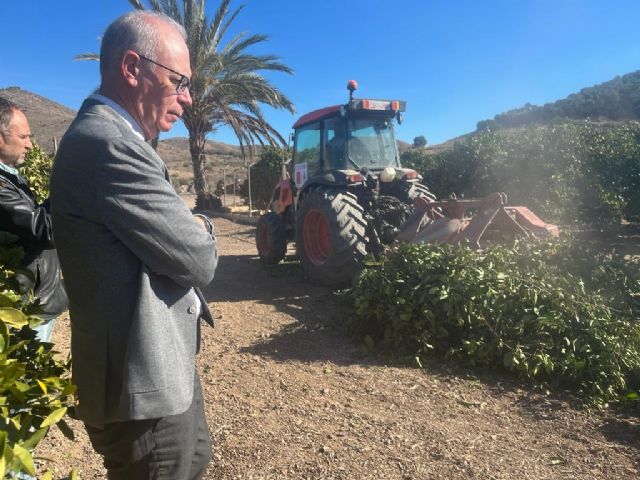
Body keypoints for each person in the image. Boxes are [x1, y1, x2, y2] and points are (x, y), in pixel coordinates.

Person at [50, 10, 218, 480]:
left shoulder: (110, 138)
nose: (186, 99)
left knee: (193, 460)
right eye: (179, 81)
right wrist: (202, 222)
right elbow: (198, 258)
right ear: (131, 68)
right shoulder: (109, 144)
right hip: (142, 388)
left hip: (155, 374)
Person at [0, 97, 68, 342]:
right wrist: (67, 183)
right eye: (23, 137)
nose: (30, 145)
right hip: (22, 309)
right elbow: (46, 228)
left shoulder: (10, 178)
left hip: (38, 302)